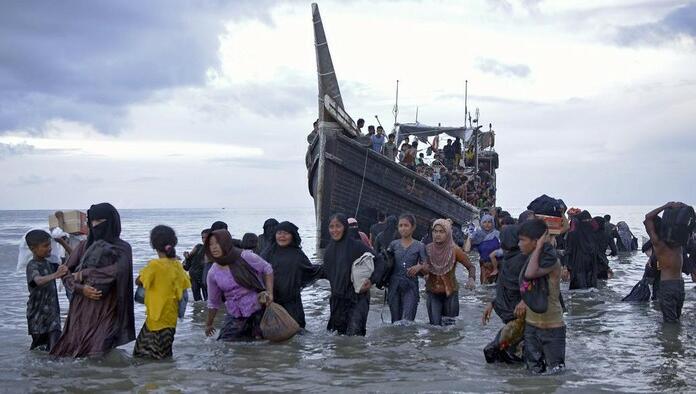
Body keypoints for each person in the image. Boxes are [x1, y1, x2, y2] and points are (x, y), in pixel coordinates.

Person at [51, 203, 135, 357]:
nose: (95, 226)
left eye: (100, 221)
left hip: (108, 307)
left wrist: (85, 273)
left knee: (99, 348)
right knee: (77, 350)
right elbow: (65, 273)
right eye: (93, 222)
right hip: (82, 308)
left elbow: (118, 271)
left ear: (112, 222)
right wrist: (81, 289)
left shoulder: (122, 248)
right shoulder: (84, 246)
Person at [319, 214, 385, 336]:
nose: (334, 230)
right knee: (338, 340)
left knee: (355, 338)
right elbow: (326, 272)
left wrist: (372, 280)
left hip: (358, 299)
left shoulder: (356, 246)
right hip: (338, 301)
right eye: (331, 227)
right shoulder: (329, 251)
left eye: (338, 226)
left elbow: (379, 260)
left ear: (345, 227)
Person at [204, 229, 274, 341]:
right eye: (210, 244)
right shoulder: (213, 272)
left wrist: (270, 292)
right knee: (225, 343)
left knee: (262, 346)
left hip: (257, 310)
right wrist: (209, 324)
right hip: (235, 314)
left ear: (226, 243)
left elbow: (267, 268)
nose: (214, 247)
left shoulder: (245, 256)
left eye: (218, 243)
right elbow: (213, 302)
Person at [133, 225, 191, 359]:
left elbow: (139, 281)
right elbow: (184, 285)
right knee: (163, 354)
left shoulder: (155, 266)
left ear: (154, 245)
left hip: (156, 318)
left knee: (143, 355)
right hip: (170, 318)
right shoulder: (177, 265)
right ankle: (167, 377)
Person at [518, 218, 565, 374]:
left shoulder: (552, 261)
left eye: (522, 240)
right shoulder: (530, 259)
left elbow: (530, 274)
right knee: (533, 374)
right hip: (532, 326)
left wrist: (539, 248)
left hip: (552, 328)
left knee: (555, 374)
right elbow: (527, 285)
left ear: (536, 241)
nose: (519, 244)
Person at [261, 221, 321, 329]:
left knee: (297, 334)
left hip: (292, 303)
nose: (282, 236)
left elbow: (310, 271)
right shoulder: (268, 253)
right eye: (279, 233)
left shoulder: (298, 254)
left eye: (286, 233)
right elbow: (258, 272)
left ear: (292, 236)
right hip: (272, 302)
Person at [415, 219, 475, 326]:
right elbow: (420, 269)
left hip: (451, 293)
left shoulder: (455, 250)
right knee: (435, 329)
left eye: (441, 232)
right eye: (435, 231)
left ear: (448, 233)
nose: (437, 234)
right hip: (432, 293)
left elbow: (471, 266)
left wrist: (471, 279)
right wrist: (422, 273)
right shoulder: (427, 249)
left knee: (450, 329)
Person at [482, 225, 527, 363]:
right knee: (507, 352)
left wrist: (524, 300)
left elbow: (529, 283)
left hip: (519, 318)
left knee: (491, 350)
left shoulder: (523, 259)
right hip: (512, 316)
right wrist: (493, 303)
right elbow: (504, 286)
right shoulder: (507, 259)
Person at [25, 230, 68, 351]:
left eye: (50, 245)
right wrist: (55, 275)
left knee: (55, 349)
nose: (49, 248)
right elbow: (36, 281)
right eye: (45, 246)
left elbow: (71, 260)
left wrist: (63, 243)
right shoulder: (32, 265)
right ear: (33, 249)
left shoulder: (50, 264)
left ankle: (55, 369)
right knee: (38, 349)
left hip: (53, 315)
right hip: (38, 316)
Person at [644, 202, 687, 323]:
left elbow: (648, 218)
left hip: (667, 286)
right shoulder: (680, 244)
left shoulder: (659, 245)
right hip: (680, 285)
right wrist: (683, 207)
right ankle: (677, 340)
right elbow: (688, 222)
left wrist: (665, 206)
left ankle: (670, 341)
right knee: (676, 320)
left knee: (669, 323)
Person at [387, 214, 427, 323]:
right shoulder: (393, 245)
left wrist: (419, 266)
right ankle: (396, 340)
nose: (403, 228)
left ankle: (407, 340)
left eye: (406, 225)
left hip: (410, 286)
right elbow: (386, 263)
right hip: (393, 286)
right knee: (395, 322)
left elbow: (426, 264)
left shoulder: (419, 246)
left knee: (407, 322)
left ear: (413, 227)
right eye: (400, 226)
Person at [564, 210, 602, 290]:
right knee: (585, 291)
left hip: (585, 266)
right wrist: (566, 267)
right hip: (582, 265)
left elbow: (568, 251)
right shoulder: (591, 234)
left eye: (589, 220)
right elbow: (568, 251)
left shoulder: (591, 234)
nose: (588, 222)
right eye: (586, 220)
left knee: (581, 291)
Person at [465, 214, 501, 284]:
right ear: (481, 223)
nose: (487, 224)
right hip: (485, 266)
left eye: (489, 222)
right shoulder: (477, 235)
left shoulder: (498, 234)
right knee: (485, 289)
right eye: (484, 222)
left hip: (498, 266)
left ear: (493, 223)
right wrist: (469, 236)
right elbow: (467, 250)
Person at [183, 229, 210, 301]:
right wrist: (186, 256)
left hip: (204, 278)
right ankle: (198, 311)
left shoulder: (212, 250)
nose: (204, 239)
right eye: (202, 237)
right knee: (197, 299)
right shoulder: (198, 247)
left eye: (206, 237)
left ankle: (203, 311)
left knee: (207, 299)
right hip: (194, 277)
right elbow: (188, 257)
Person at [593, 216, 617, 280]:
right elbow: (614, 251)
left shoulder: (590, 235)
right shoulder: (608, 235)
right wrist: (610, 254)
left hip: (591, 263)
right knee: (603, 285)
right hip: (603, 264)